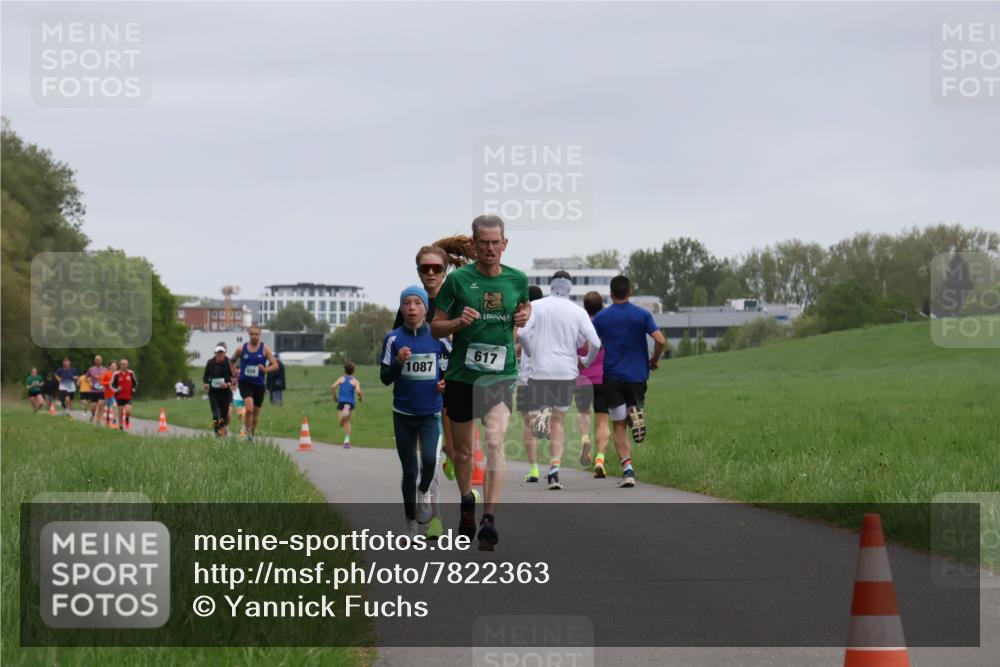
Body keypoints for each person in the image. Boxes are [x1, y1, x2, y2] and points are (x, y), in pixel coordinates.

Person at [431, 214, 530, 550]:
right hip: (462, 377)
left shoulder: (517, 279)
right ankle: (466, 501)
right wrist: (459, 321)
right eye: (483, 243)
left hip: (500, 375)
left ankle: (489, 519)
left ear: (505, 244)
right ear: (474, 244)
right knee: (460, 453)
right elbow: (436, 327)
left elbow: (524, 308)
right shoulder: (458, 281)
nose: (490, 248)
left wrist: (524, 315)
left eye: (495, 242)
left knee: (494, 441)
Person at [518, 271, 602, 490]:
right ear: (570, 288)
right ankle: (554, 472)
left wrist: (531, 352)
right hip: (567, 372)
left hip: (540, 371)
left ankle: (540, 417)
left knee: (537, 415)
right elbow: (595, 343)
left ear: (552, 286)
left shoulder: (538, 306)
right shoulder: (578, 311)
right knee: (559, 423)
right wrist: (584, 362)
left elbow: (523, 335)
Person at [381, 285, 450, 536]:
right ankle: (411, 523)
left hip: (431, 413)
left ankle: (423, 493)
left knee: (430, 461)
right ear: (401, 308)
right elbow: (384, 378)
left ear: (425, 308)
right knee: (409, 471)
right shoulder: (393, 339)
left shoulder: (438, 337)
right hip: (403, 414)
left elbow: (452, 369)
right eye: (407, 303)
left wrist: (446, 382)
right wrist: (398, 363)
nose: (412, 307)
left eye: (417, 303)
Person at [591, 275, 666, 487]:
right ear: (630, 292)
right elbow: (660, 340)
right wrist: (655, 359)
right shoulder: (642, 314)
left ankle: (628, 470)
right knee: (632, 408)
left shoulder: (602, 318)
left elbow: (593, 345)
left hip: (612, 377)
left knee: (619, 426)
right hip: (638, 375)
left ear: (611, 294)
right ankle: (637, 410)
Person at [576, 291, 612, 477]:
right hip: (602, 377)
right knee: (603, 420)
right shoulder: (605, 324)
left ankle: (584, 439)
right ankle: (600, 458)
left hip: (582, 377)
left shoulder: (580, 324)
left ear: (585, 306)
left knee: (583, 413)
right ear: (602, 306)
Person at [516, 285, 545, 482]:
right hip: (549, 373)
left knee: (527, 423)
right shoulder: (550, 315)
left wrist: (524, 350)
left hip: (527, 375)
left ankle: (534, 469)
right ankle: (554, 466)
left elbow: (521, 336)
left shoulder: (524, 317)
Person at [231, 324, 279, 441]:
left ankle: (251, 435)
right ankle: (248, 433)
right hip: (245, 383)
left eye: (256, 334)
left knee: (256, 414)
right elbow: (231, 361)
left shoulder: (264, 349)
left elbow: (275, 365)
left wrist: (265, 369)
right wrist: (234, 375)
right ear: (249, 334)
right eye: (252, 334)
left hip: (259, 384)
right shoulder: (241, 349)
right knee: (250, 409)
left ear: (260, 335)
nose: (254, 336)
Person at [203, 343, 236, 436]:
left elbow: (233, 377)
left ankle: (222, 428)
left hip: (225, 393)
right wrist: (206, 383)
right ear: (215, 353)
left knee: (224, 414)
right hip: (214, 393)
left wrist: (228, 383)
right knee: (216, 413)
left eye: (221, 353)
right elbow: (206, 376)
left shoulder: (228, 363)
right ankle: (216, 429)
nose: (219, 355)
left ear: (224, 353)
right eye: (218, 353)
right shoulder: (210, 363)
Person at [332, 362, 363, 448]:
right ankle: (346, 442)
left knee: (341, 423)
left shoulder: (341, 379)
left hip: (341, 402)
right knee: (347, 422)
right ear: (353, 371)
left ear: (345, 370)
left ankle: (344, 414)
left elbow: (333, 386)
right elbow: (358, 391)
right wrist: (360, 398)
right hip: (350, 403)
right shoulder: (355, 381)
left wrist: (335, 397)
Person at [111, 359, 139, 430]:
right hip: (119, 396)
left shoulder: (131, 373)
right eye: (123, 364)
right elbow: (112, 385)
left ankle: (127, 418)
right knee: (120, 412)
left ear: (127, 365)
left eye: (126, 364)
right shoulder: (116, 374)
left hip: (128, 396)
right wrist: (117, 389)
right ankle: (120, 426)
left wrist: (134, 388)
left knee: (128, 411)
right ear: (120, 365)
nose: (124, 366)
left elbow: (135, 383)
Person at [84, 356, 108, 424]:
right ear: (94, 361)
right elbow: (86, 378)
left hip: (102, 390)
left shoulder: (105, 369)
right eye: (96, 360)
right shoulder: (91, 369)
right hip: (93, 391)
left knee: (101, 404)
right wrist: (89, 382)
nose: (98, 361)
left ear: (101, 361)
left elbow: (108, 379)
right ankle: (93, 415)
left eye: (99, 360)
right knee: (93, 407)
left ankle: (99, 419)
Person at [100, 362, 118, 426]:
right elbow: (101, 382)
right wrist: (108, 383)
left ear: (116, 367)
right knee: (108, 408)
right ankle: (107, 421)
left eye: (115, 366)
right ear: (109, 367)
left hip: (116, 394)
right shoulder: (107, 374)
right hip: (108, 394)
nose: (113, 367)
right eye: (112, 366)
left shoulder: (118, 374)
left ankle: (114, 421)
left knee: (115, 406)